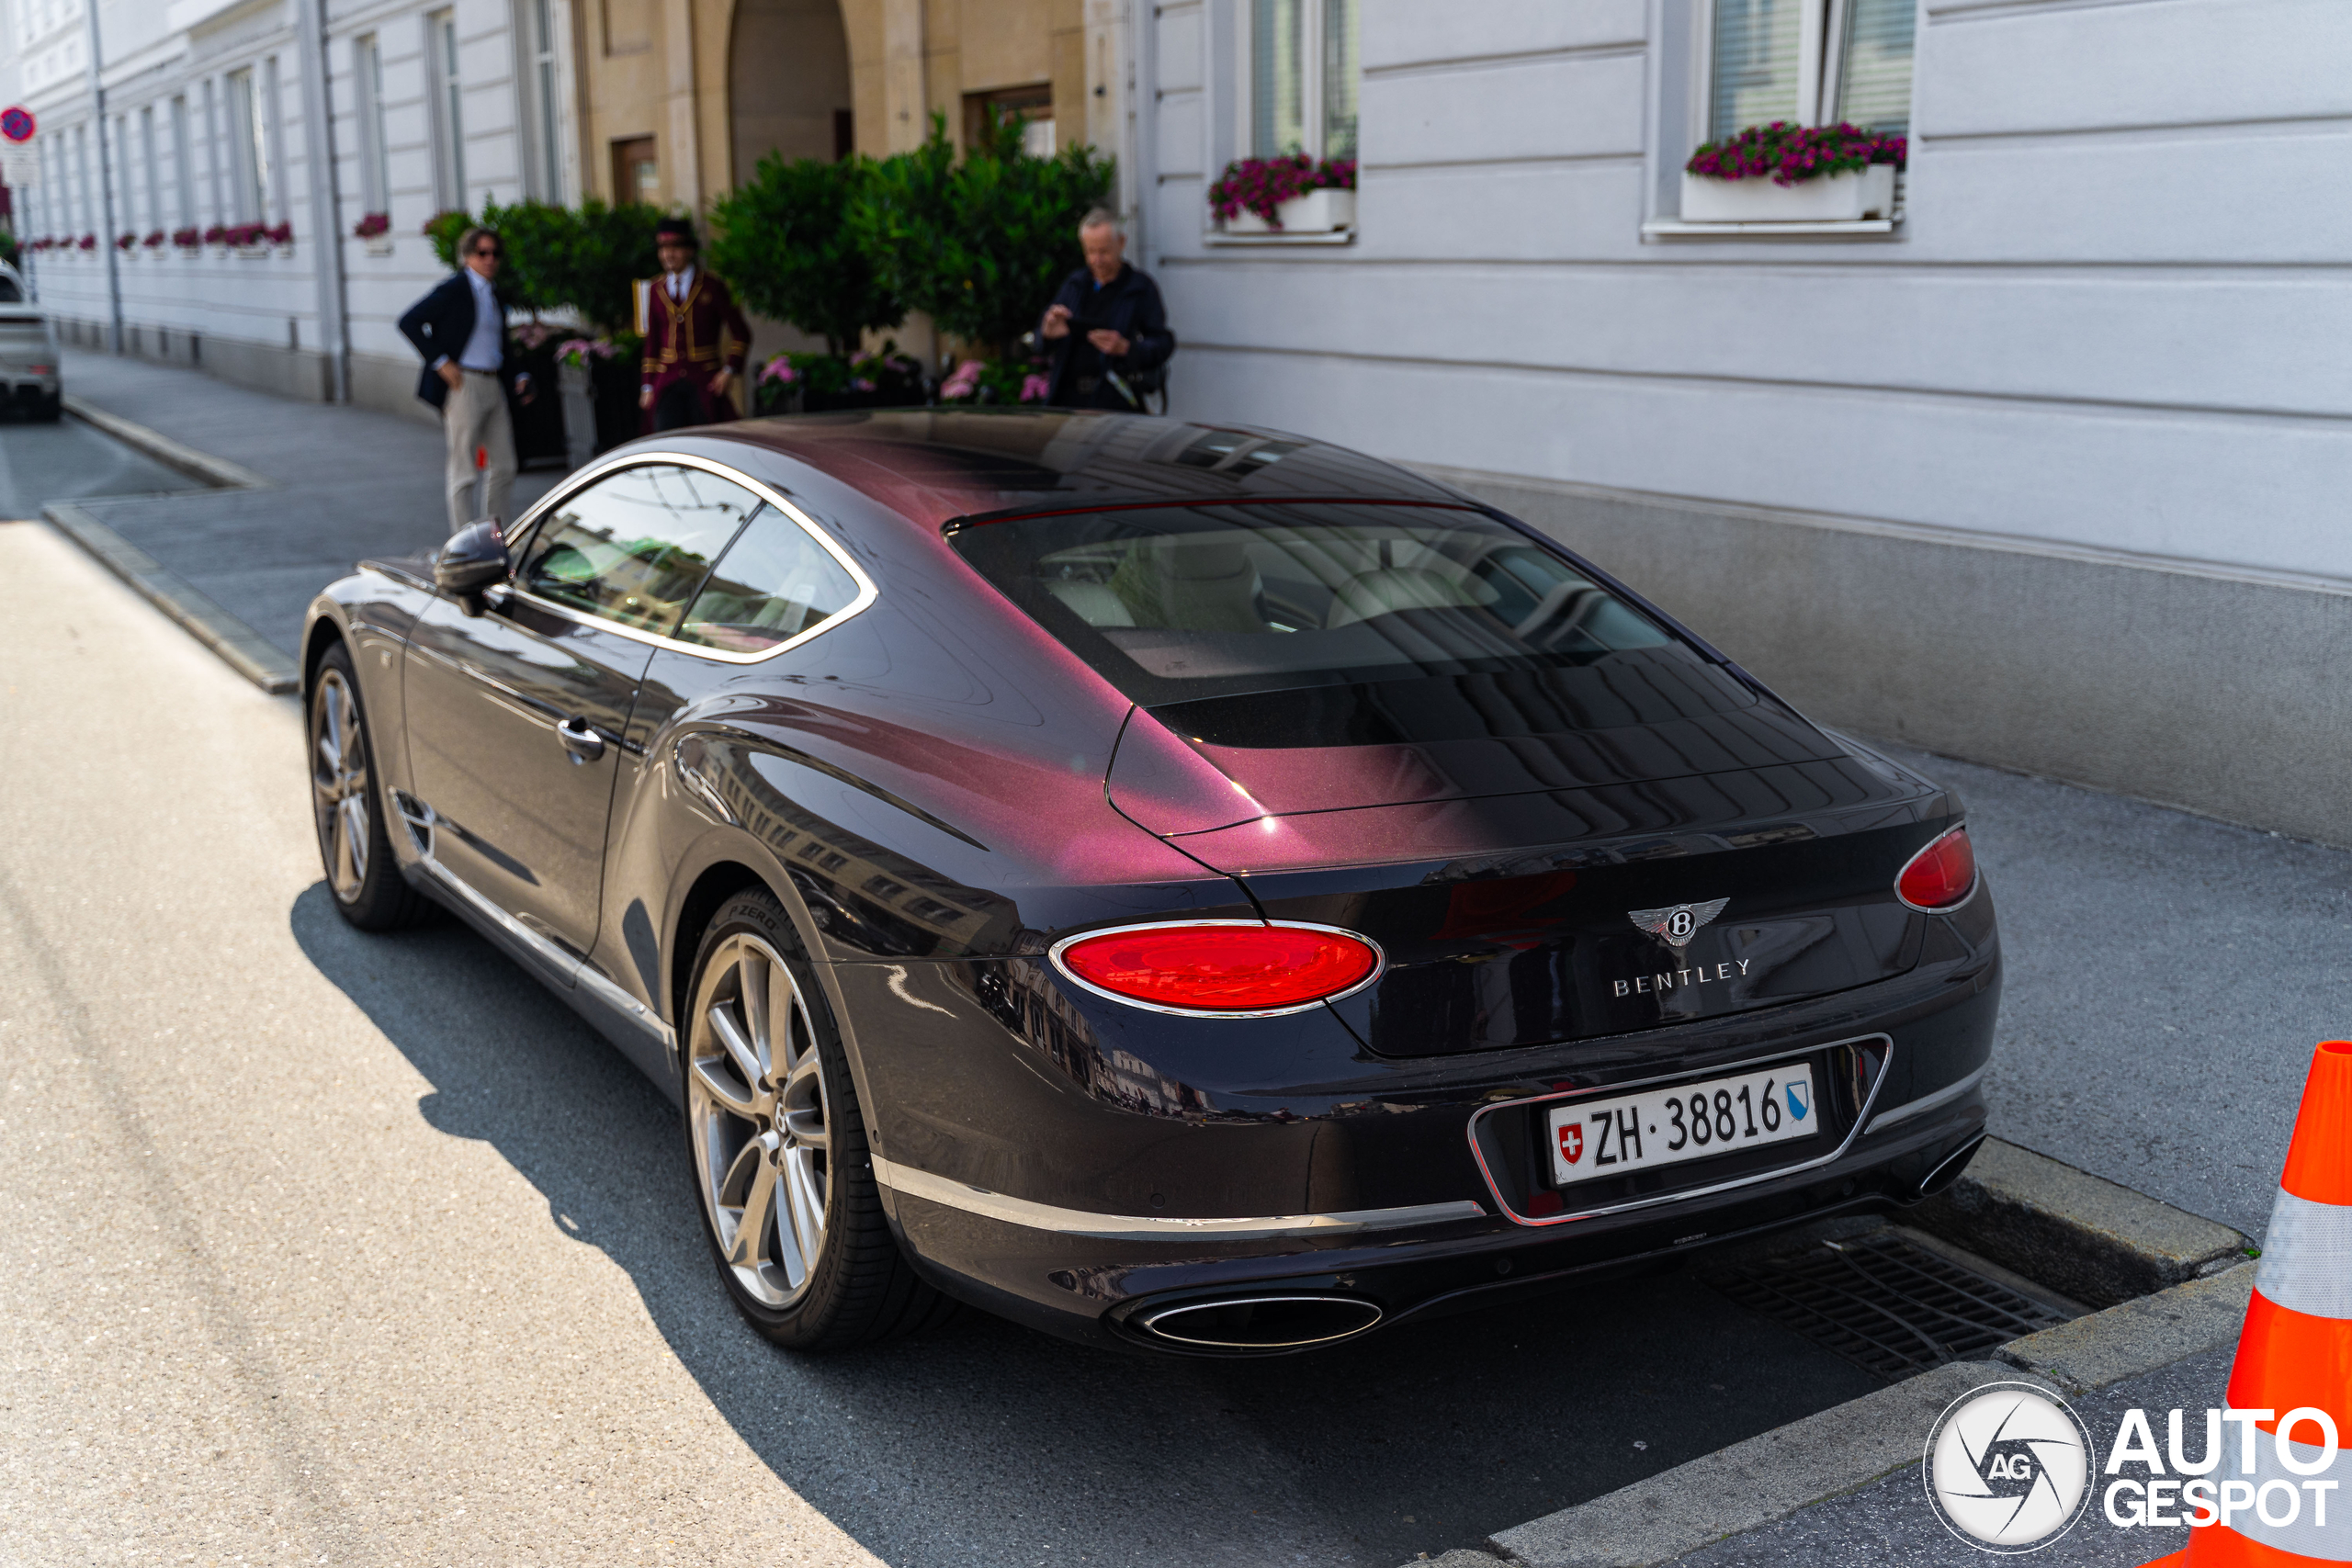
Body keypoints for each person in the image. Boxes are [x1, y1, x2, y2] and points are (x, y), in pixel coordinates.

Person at [398, 226, 535, 532]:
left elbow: (500, 343)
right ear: (467, 256)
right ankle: (463, 543)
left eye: (495, 253)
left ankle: (495, 536)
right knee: (464, 470)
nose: (489, 259)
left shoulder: (494, 292)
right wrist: (441, 362)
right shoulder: (455, 289)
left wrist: (519, 374)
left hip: (493, 383)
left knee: (505, 465)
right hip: (464, 384)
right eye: (482, 253)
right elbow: (409, 321)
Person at [1038, 209, 1175, 412]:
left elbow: (1163, 343)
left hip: (1116, 402)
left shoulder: (1139, 288)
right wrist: (1048, 333)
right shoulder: (1075, 284)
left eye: (1104, 252)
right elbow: (1040, 340)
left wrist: (1126, 348)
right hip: (1068, 400)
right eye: (1090, 252)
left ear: (1121, 243)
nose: (1097, 260)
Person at [636, 217, 752, 433]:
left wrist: (729, 370)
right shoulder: (656, 289)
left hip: (705, 380)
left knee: (709, 438)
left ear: (689, 250)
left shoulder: (712, 286)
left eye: (675, 248)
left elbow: (741, 333)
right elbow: (652, 342)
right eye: (663, 249)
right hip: (667, 381)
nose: (668, 255)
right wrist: (647, 385)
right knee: (665, 439)